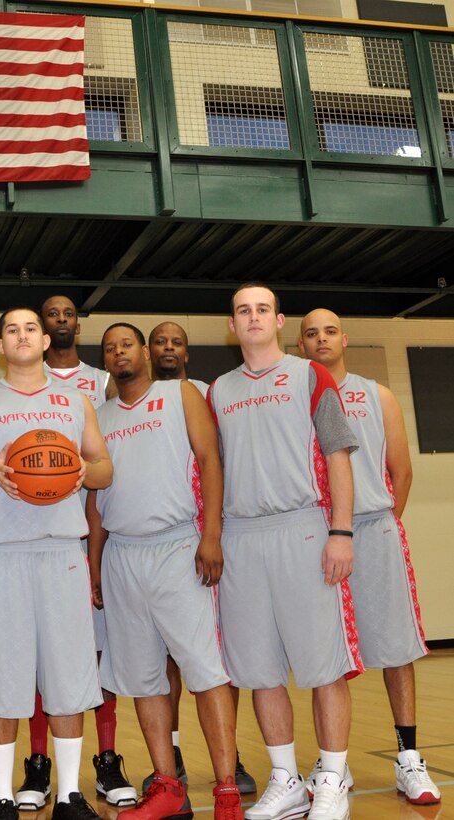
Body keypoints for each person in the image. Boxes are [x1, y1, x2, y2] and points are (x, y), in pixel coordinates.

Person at [0, 306, 113, 820]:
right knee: (0, 680)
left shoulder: (77, 401)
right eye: (11, 329)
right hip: (2, 556)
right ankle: (6, 799)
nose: (21, 335)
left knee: (68, 678)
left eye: (29, 328)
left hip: (62, 551)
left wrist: (81, 468)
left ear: (42, 340)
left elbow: (105, 468)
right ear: (0, 344)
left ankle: (70, 795)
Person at [207, 284, 361, 820]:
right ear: (232, 325)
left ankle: (334, 779)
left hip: (303, 529)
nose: (253, 318)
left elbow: (338, 456)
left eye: (262, 310)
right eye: (243, 311)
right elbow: (213, 471)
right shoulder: (219, 391)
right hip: (241, 538)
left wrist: (340, 532)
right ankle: (286, 780)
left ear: (279, 321)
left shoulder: (309, 376)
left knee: (323, 667)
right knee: (260, 671)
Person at [88, 322, 241, 820]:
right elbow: (94, 502)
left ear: (145, 352)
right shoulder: (99, 416)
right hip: (121, 556)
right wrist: (94, 565)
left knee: (204, 671)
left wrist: (211, 535)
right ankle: (168, 787)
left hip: (177, 545)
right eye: (109, 349)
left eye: (126, 344)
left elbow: (210, 459)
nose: (118, 353)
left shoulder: (180, 394)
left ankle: (226, 789)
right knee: (145, 678)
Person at [299, 309, 440, 805]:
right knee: (325, 653)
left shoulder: (376, 394)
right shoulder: (297, 396)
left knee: (397, 649)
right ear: (299, 345)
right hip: (316, 534)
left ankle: (409, 758)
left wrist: (376, 525)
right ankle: (332, 762)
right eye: (311, 333)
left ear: (345, 338)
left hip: (374, 531)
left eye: (330, 331)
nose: (321, 339)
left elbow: (400, 472)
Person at [30, 295, 135, 810]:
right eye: (53, 314)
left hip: (90, 535)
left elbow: (109, 462)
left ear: (76, 324)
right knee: (36, 660)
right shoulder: (27, 384)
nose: (62, 320)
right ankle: (38, 763)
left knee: (95, 660)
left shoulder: (101, 382)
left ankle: (108, 759)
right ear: (43, 328)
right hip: (38, 536)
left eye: (70, 313)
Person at [146, 321, 256, 797]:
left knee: (216, 657)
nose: (168, 348)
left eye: (177, 342)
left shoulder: (209, 395)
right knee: (165, 664)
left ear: (188, 353)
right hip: (157, 545)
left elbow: (221, 460)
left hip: (207, 539)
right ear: (149, 351)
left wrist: (213, 534)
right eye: (160, 342)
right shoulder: (133, 399)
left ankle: (231, 759)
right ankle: (172, 762)